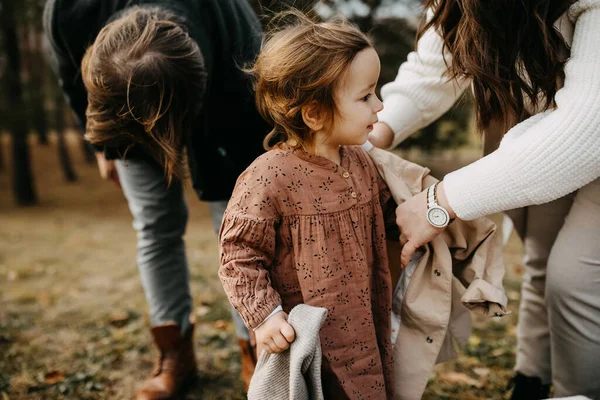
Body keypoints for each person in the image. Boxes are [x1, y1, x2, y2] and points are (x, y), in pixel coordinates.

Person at [368, 0, 600, 398]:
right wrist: (375, 132)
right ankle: (532, 378)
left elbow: (587, 131)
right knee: (541, 254)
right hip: (539, 126)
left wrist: (439, 201)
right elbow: (433, 69)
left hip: (585, 134)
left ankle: (577, 391)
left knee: (575, 279)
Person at [43, 0, 270, 398]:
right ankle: (175, 354)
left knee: (239, 232)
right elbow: (68, 76)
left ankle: (256, 351)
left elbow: (257, 111)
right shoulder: (68, 11)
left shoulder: (238, 40)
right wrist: (102, 143)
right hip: (121, 106)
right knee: (154, 225)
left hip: (225, 109)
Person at [218, 14, 398, 399]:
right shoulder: (268, 177)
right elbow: (238, 255)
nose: (380, 106)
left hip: (367, 322)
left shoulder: (361, 162)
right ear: (314, 114)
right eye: (365, 96)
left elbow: (387, 217)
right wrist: (265, 316)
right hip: (313, 338)